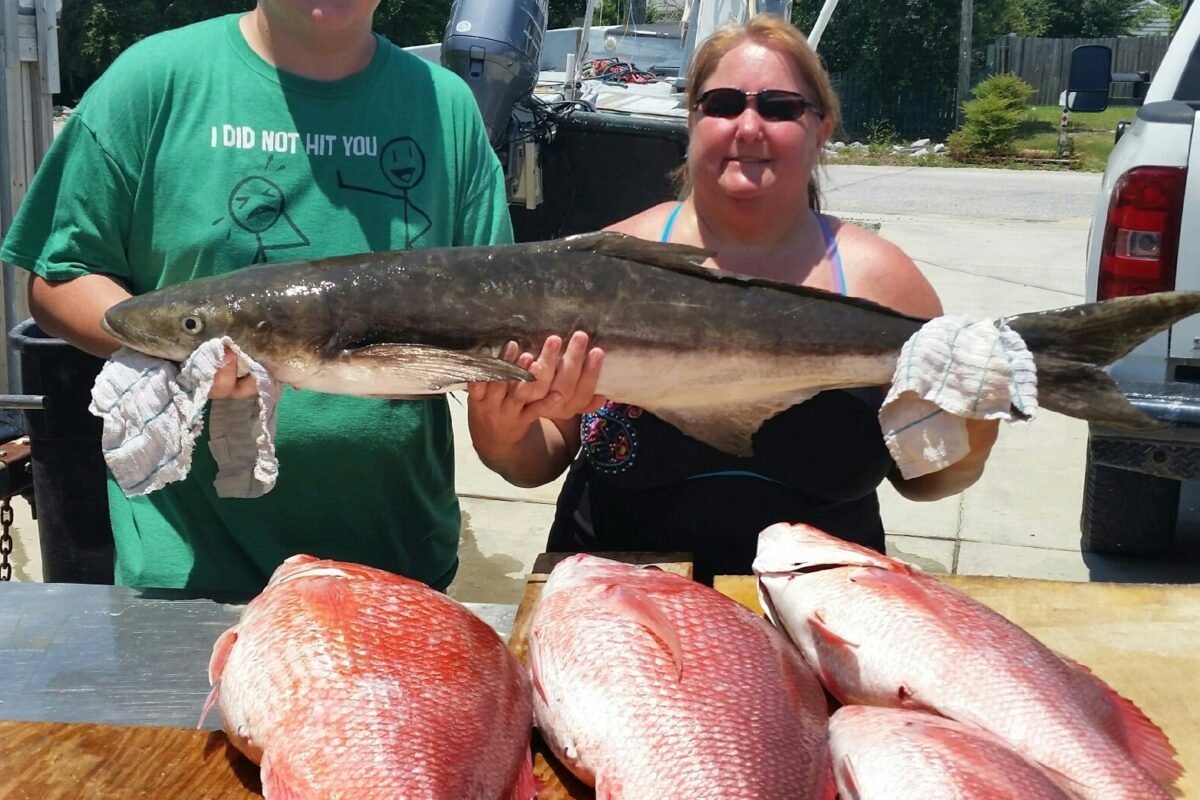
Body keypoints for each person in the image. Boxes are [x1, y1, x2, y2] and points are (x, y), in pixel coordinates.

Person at [0, 1, 512, 593]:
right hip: (186, 574)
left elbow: (498, 320)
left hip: (395, 568)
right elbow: (59, 274)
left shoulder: (447, 109)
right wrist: (171, 355)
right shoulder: (151, 84)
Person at [466, 14, 999, 583]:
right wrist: (503, 432)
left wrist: (973, 429)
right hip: (619, 608)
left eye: (778, 106)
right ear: (691, 120)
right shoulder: (601, 266)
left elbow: (925, 479)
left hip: (819, 608)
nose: (749, 126)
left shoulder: (881, 283)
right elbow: (536, 461)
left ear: (822, 128)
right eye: (722, 104)